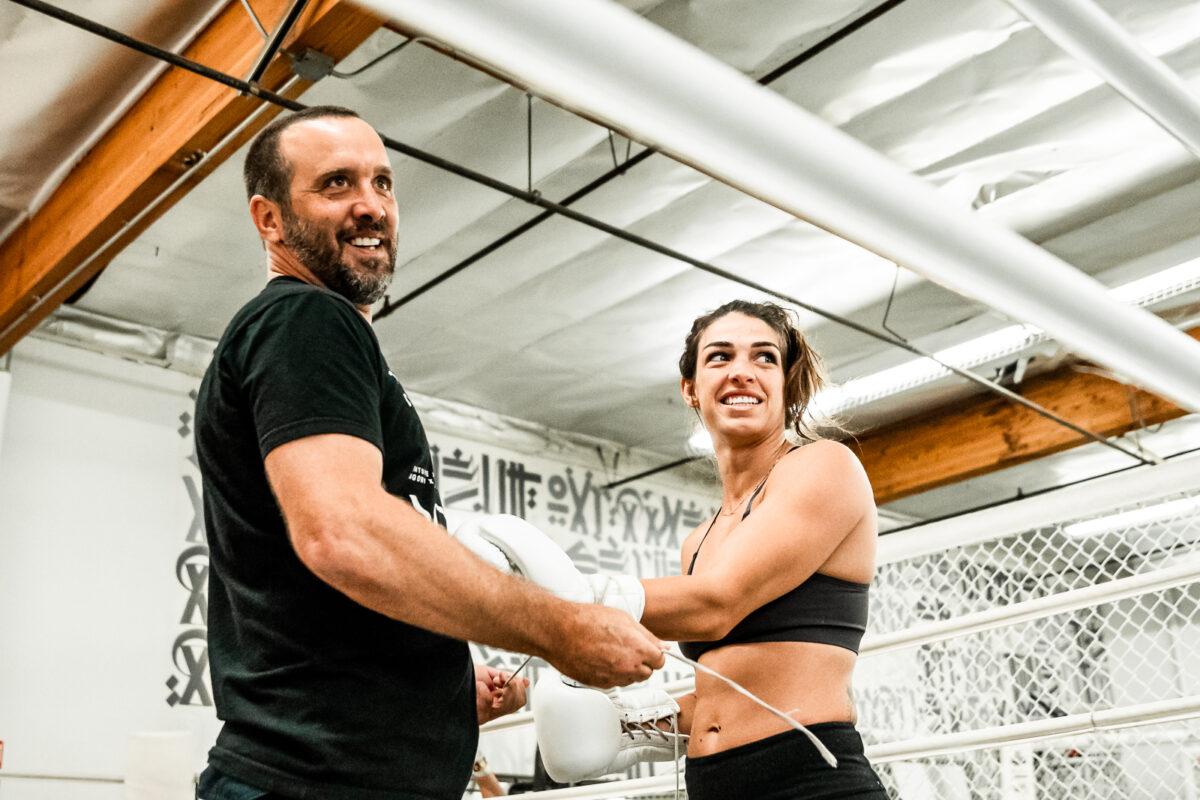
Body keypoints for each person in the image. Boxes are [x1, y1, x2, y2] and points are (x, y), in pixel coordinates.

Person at [193, 105, 664, 800]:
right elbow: (345, 533)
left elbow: (326, 578)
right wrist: (560, 629)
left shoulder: (322, 343)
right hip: (313, 783)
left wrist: (435, 677)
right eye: (336, 185)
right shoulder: (305, 318)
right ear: (269, 220)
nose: (370, 207)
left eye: (383, 183)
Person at [527, 300, 888, 798]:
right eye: (720, 357)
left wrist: (561, 598)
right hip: (713, 785)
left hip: (809, 779)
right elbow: (728, 688)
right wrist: (638, 722)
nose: (742, 372)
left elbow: (719, 603)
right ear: (690, 389)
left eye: (764, 358)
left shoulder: (824, 466)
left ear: (786, 384)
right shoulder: (699, 541)